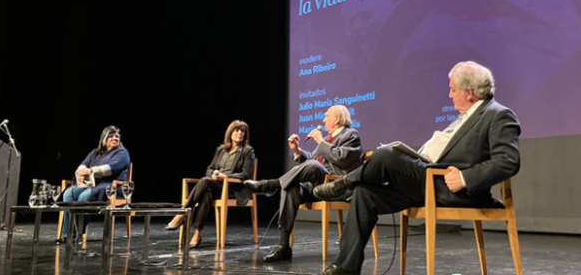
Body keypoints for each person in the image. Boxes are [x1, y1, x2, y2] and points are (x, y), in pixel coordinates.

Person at [313, 61, 521, 275]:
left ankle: (344, 184)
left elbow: (507, 161)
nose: (449, 95)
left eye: (453, 89)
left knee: (386, 154)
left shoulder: (498, 115)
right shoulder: (462, 118)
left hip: (450, 189)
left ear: (469, 92)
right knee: (365, 193)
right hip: (425, 183)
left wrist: (466, 178)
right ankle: (346, 267)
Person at [244, 104, 363, 262]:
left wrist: (320, 141)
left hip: (337, 185)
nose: (324, 120)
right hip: (319, 184)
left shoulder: (351, 135)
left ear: (337, 119)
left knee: (312, 167)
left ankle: (270, 185)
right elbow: (312, 159)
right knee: (291, 187)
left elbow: (341, 158)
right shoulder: (328, 139)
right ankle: (284, 246)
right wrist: (297, 151)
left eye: (327, 116)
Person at [164, 120, 255, 248]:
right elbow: (210, 168)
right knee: (206, 192)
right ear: (230, 133)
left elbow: (247, 174)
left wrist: (226, 177)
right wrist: (213, 174)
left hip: (233, 187)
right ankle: (197, 233)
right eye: (237, 130)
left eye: (243, 131)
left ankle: (183, 213)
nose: (240, 133)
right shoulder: (221, 150)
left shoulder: (247, 151)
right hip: (215, 185)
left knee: (205, 182)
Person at [58, 125, 131, 242]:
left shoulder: (122, 152)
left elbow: (110, 168)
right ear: (104, 138)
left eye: (117, 136)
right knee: (68, 194)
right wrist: (80, 173)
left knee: (84, 196)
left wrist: (91, 171)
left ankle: (79, 232)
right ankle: (68, 234)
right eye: (111, 136)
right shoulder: (95, 152)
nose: (115, 138)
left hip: (111, 186)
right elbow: (84, 164)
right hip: (94, 184)